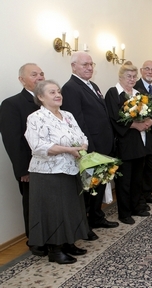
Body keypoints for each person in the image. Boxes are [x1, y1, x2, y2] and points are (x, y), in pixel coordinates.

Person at [25, 80, 89, 264]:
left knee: (70, 207)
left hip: (71, 169)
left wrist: (83, 145)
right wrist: (68, 150)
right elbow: (37, 146)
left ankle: (68, 242)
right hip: (48, 172)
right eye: (52, 92)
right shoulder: (36, 118)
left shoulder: (67, 115)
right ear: (40, 97)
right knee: (54, 211)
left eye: (59, 91)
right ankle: (55, 250)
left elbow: (81, 135)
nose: (58, 95)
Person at [61, 51, 119, 236]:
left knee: (98, 185)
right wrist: (90, 148)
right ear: (73, 67)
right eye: (84, 64)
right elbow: (77, 121)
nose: (89, 67)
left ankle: (96, 216)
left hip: (104, 143)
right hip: (91, 147)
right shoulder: (70, 88)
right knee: (89, 188)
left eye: (91, 64)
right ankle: (85, 225)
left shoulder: (92, 85)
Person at [0, 63, 45, 256]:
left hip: (53, 164)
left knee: (50, 203)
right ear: (22, 80)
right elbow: (13, 140)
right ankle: (35, 241)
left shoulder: (50, 101)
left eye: (41, 74)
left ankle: (52, 237)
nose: (40, 77)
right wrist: (22, 170)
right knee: (33, 204)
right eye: (34, 74)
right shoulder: (12, 104)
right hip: (30, 167)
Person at [105, 61, 152, 225]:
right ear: (120, 77)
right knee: (124, 180)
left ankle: (136, 207)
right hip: (124, 142)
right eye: (128, 76)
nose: (132, 79)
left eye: (134, 76)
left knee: (137, 178)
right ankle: (124, 213)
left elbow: (149, 111)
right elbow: (114, 118)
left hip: (139, 141)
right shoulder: (113, 93)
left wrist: (149, 121)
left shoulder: (138, 93)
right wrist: (135, 125)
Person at [133, 60, 152, 207]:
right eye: (147, 69)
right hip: (141, 134)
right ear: (141, 70)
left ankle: (148, 193)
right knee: (141, 168)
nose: (150, 72)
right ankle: (139, 198)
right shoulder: (135, 88)